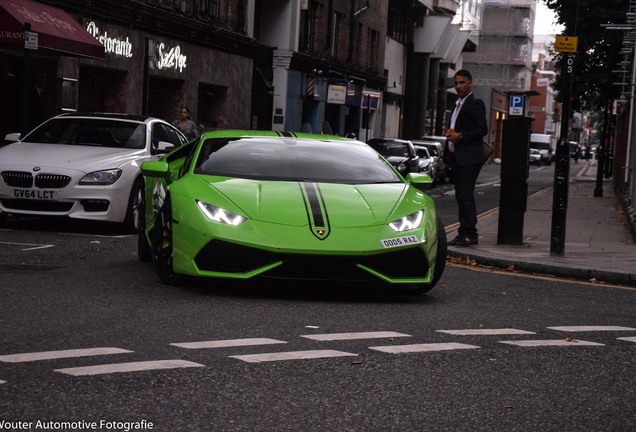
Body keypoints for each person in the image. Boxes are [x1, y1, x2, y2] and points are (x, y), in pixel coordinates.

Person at [444, 69, 488, 247]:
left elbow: (482, 129)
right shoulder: (457, 104)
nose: (458, 86)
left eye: (462, 83)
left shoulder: (475, 103)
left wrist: (460, 136)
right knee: (461, 197)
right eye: (456, 83)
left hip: (469, 157)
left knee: (465, 195)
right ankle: (463, 233)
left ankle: (470, 234)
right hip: (457, 158)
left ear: (470, 83)